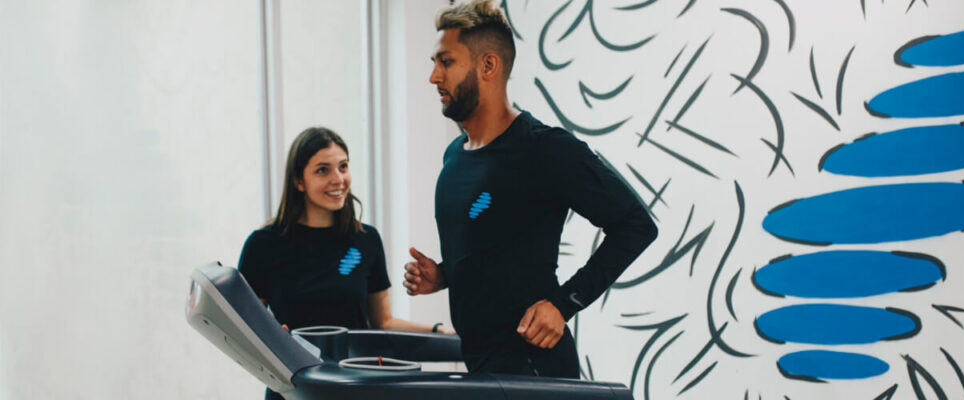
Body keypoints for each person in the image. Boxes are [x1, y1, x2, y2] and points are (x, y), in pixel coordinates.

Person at [403, 0, 658, 379]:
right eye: (434, 63)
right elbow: (499, 251)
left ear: (488, 66)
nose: (434, 77)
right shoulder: (455, 155)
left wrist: (564, 304)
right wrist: (443, 275)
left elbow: (636, 225)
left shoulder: (545, 148)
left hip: (535, 370)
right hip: (482, 368)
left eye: (446, 62)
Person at [238, 127, 453, 400]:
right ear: (298, 181)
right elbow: (246, 328)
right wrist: (273, 340)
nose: (338, 179)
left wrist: (438, 330)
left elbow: (383, 321)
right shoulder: (263, 245)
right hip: (293, 390)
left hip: (356, 386)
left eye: (343, 167)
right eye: (323, 170)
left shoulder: (366, 240)